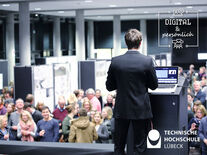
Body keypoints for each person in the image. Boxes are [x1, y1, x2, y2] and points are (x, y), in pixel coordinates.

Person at [106, 29, 158, 155]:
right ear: (140, 43)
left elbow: (109, 86)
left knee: (119, 146)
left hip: (121, 109)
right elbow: (154, 86)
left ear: (126, 42)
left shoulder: (115, 61)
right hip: (140, 110)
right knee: (139, 146)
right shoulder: (147, 61)